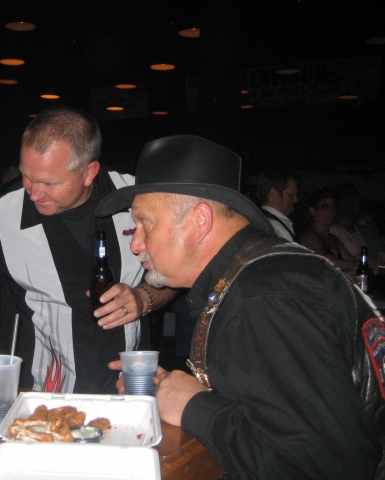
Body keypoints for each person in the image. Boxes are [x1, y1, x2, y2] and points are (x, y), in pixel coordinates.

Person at [97, 135, 383, 479]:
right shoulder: (250, 279)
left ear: (200, 222)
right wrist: (175, 390)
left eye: (145, 223)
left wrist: (193, 405)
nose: (135, 243)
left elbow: (323, 463)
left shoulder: (265, 295)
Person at [0, 105, 176, 394]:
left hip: (128, 393)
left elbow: (176, 274)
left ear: (89, 172)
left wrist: (143, 297)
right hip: (39, 401)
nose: (33, 193)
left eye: (50, 182)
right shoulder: (0, 218)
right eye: (26, 175)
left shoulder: (138, 201)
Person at [298, 187, 358, 276]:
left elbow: (352, 261)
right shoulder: (308, 236)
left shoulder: (334, 239)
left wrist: (367, 264)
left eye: (334, 206)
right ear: (313, 211)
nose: (332, 211)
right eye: (325, 206)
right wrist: (351, 265)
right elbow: (322, 259)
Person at [256, 170, 298, 241]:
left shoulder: (258, 221)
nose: (296, 200)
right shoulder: (276, 228)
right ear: (274, 194)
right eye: (291, 195)